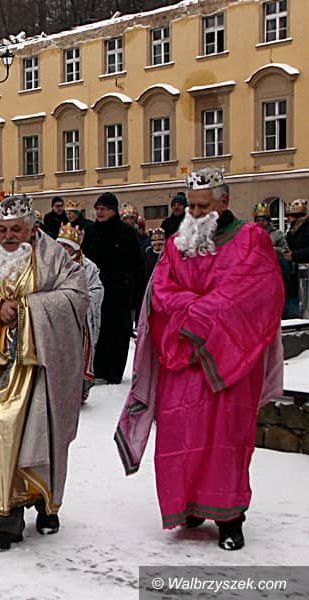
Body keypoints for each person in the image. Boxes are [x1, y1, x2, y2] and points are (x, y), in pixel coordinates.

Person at [115, 167, 284, 551]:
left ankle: (229, 518)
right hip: (182, 357)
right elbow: (161, 290)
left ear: (224, 202)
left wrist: (200, 316)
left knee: (226, 440)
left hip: (231, 359)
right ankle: (188, 505)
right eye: (190, 206)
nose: (194, 213)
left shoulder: (251, 239)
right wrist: (194, 313)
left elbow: (256, 291)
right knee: (180, 435)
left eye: (202, 206)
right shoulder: (177, 244)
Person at [0, 194, 88, 551]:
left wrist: (29, 309)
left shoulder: (54, 257)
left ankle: (46, 504)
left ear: (31, 228)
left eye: (16, 229)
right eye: (2, 230)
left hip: (42, 371)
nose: (9, 237)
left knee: (43, 439)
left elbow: (77, 296)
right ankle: (7, 521)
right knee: (3, 443)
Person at [81, 192, 146, 384]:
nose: (100, 212)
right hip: (95, 290)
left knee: (118, 331)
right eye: (97, 209)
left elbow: (138, 265)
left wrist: (138, 296)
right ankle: (96, 370)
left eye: (104, 209)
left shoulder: (127, 233)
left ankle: (114, 372)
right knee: (97, 330)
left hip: (120, 292)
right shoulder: (90, 231)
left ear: (113, 211)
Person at [55, 222, 103, 403]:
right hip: (57, 320)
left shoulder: (88, 266)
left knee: (77, 357)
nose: (63, 249)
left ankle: (78, 392)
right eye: (60, 245)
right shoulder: (50, 264)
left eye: (66, 246)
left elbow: (97, 289)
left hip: (80, 323)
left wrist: (81, 300)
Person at [283, 199, 308, 318]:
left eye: (289, 216)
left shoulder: (305, 229)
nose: (287, 219)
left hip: (305, 269)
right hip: (298, 270)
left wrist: (294, 255)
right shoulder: (294, 230)